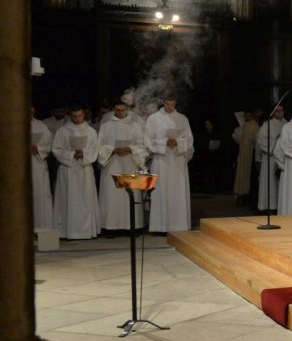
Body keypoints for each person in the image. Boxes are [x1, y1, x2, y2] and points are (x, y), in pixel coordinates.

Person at [97, 100, 148, 232]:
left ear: (127, 109)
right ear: (114, 110)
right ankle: (111, 227)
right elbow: (98, 146)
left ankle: (132, 226)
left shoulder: (135, 126)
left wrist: (131, 149)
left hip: (130, 162)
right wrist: (112, 149)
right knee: (111, 194)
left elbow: (143, 145)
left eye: (122, 110)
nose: (120, 112)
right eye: (117, 110)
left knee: (129, 194)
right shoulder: (106, 126)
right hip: (112, 163)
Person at [145, 95, 193, 233]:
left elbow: (189, 140)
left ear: (175, 103)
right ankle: (160, 226)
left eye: (172, 104)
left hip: (177, 159)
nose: (170, 106)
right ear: (163, 103)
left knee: (177, 191)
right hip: (161, 160)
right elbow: (147, 139)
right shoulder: (153, 118)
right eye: (167, 104)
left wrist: (178, 142)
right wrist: (163, 142)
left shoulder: (182, 119)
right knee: (161, 191)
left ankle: (178, 225)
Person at [51, 105, 100, 239]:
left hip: (85, 168)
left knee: (86, 199)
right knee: (68, 198)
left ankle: (86, 231)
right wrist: (72, 154)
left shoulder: (90, 131)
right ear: (70, 116)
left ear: (83, 115)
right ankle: (67, 231)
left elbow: (95, 150)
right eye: (75, 116)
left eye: (80, 116)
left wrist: (84, 154)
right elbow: (56, 149)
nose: (77, 119)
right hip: (69, 169)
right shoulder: (63, 131)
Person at [256, 105, 285, 213]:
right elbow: (261, 139)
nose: (279, 112)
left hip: (284, 158)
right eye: (277, 110)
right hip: (270, 158)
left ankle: (281, 206)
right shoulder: (267, 124)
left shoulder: (287, 124)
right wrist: (275, 143)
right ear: (273, 112)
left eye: (281, 110)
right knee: (270, 182)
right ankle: (269, 206)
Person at [30, 107, 54, 231]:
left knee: (39, 194)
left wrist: (38, 149)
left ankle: (39, 227)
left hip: (37, 163)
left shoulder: (41, 126)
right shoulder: (12, 123)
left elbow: (49, 146)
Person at [232, 107, 261, 205]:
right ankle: (243, 195)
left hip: (248, 153)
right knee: (244, 174)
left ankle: (245, 195)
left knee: (246, 175)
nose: (246, 117)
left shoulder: (251, 126)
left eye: (248, 116)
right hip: (246, 153)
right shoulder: (247, 126)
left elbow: (255, 139)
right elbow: (237, 137)